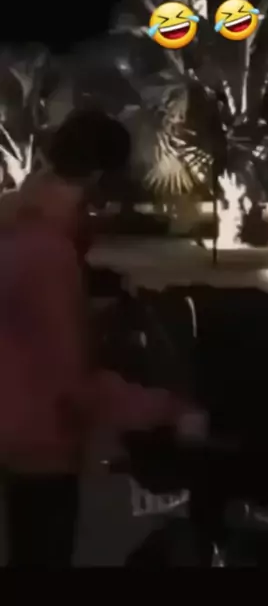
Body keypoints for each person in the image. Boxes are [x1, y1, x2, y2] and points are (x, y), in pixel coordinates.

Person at [0, 110, 206, 568]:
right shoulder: (49, 255)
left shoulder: (17, 221)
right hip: (39, 443)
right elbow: (72, 385)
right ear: (98, 177)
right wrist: (170, 410)